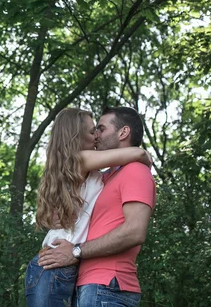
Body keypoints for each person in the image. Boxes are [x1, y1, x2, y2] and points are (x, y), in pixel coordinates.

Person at [25, 108, 152, 307]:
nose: (97, 136)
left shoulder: (129, 171)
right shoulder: (94, 170)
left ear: (123, 132)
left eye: (100, 129)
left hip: (99, 281)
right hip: (62, 267)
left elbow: (135, 231)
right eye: (93, 131)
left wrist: (75, 250)